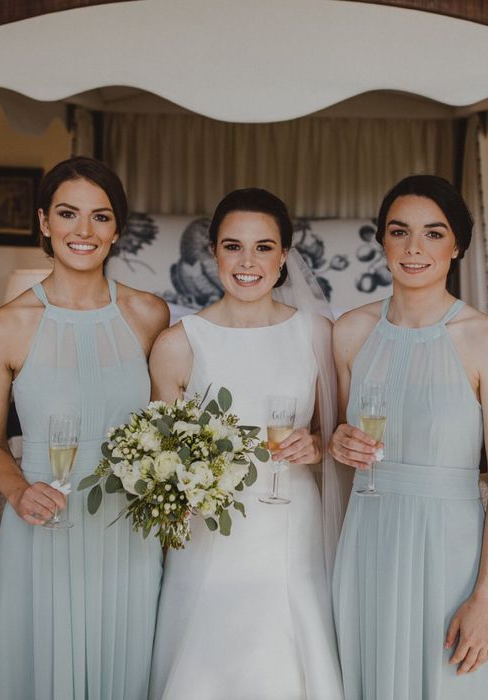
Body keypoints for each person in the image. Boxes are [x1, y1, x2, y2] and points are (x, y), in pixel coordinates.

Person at [329, 174, 488, 699]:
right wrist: (337, 444)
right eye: (400, 231)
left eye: (434, 234)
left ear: (457, 245)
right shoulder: (348, 332)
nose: (415, 248)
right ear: (383, 241)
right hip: (368, 543)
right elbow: (339, 445)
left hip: (451, 551)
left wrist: (486, 596)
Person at [147, 188, 344, 700]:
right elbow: (158, 459)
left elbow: (336, 434)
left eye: (263, 247)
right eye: (233, 246)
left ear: (283, 257)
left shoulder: (317, 334)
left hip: (290, 526)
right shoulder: (178, 344)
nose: (248, 261)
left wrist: (316, 446)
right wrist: (179, 491)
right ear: (213, 251)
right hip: (210, 534)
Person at [0, 157, 168, 699]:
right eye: (68, 214)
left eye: (100, 217)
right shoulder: (3, 327)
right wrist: (18, 492)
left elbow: (166, 430)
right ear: (44, 222)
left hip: (128, 531)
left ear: (116, 229)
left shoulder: (149, 315)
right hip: (42, 526)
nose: (83, 231)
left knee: (126, 669)